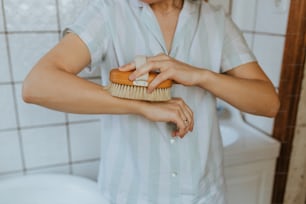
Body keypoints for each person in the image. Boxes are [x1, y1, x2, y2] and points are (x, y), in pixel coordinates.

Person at [22, 0, 280, 203]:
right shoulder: (107, 12)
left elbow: (268, 103)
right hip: (131, 196)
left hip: (204, 195)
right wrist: (142, 105)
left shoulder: (216, 22)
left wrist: (201, 75)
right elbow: (37, 84)